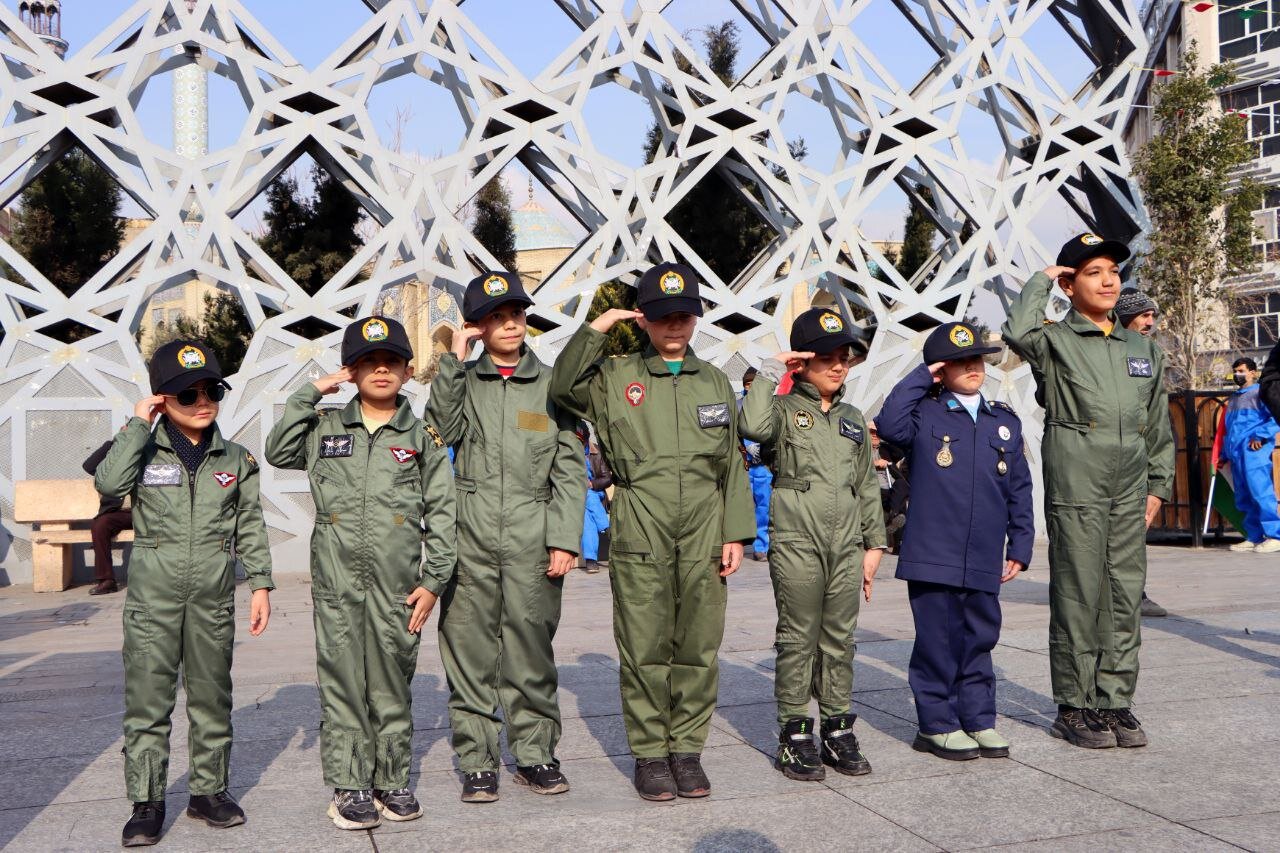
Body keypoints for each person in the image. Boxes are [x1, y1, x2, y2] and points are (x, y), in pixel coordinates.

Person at [549, 262, 755, 802]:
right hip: (642, 519)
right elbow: (563, 385)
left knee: (699, 644)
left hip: (706, 526)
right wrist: (595, 328)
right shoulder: (616, 377)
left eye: (684, 315)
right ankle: (649, 755)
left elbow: (732, 463)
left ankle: (686, 751)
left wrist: (736, 533)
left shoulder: (713, 380)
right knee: (644, 645)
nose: (675, 326)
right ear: (644, 320)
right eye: (664, 317)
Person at [265, 316, 456, 830]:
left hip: (399, 584)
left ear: (407, 370)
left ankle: (392, 779)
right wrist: (311, 390)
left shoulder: (422, 437)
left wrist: (433, 581)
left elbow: (442, 512)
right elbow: (278, 451)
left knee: (393, 679)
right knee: (344, 680)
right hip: (337, 583)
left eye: (390, 361)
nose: (380, 370)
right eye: (368, 362)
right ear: (351, 371)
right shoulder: (326, 427)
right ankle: (350, 784)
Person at [93, 339, 272, 847]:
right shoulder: (142, 448)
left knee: (212, 699)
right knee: (148, 703)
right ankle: (146, 801)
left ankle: (208, 793)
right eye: (186, 394)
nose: (201, 402)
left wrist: (260, 583)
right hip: (153, 601)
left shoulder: (236, 458)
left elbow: (250, 525)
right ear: (161, 399)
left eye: (209, 389)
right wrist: (137, 424)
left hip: (212, 598)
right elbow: (108, 486)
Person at [1002, 233, 1174, 750]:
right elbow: (1018, 331)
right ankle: (1075, 705)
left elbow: (1157, 423)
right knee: (1080, 591)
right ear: (1072, 283)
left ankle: (1115, 699)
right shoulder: (1054, 340)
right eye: (1093, 271)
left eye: (1113, 272)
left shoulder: (1142, 348)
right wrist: (1042, 279)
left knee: (1124, 591)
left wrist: (1158, 485)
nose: (1107, 280)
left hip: (1130, 485)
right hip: (1078, 478)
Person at [427, 271, 585, 803]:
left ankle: (536, 754)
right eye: (496, 316)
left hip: (532, 535)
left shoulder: (550, 386)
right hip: (469, 535)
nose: (510, 323)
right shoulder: (463, 382)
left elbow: (569, 466)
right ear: (479, 326)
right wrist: (453, 357)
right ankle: (477, 760)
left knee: (531, 650)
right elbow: (440, 432)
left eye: (516, 313)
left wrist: (564, 538)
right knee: (469, 651)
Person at [738, 307, 885, 782]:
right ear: (802, 363)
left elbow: (865, 483)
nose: (838, 366)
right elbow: (752, 428)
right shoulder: (782, 410)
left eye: (844, 357)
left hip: (846, 545)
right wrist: (770, 370)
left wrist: (874, 545)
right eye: (826, 358)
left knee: (840, 639)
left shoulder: (852, 418)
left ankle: (838, 729)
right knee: (798, 637)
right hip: (798, 541)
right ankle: (795, 733)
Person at [877, 322, 1034, 760]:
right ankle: (937, 724)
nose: (971, 367)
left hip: (983, 551)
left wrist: (1020, 546)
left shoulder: (1003, 422)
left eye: (976, 359)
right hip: (933, 552)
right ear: (941, 370)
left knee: (979, 638)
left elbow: (1019, 489)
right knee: (937, 640)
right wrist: (922, 374)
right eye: (958, 361)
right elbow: (889, 421)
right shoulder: (924, 414)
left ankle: (979, 719)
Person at [1115, 288, 1168, 618]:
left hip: (1137, 453)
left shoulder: (1151, 353)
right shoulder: (1101, 347)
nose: (1150, 322)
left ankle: (1135, 592)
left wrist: (1159, 479)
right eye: (1143, 314)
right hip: (1102, 453)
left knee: (1134, 528)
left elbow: (1158, 415)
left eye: (1152, 316)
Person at [1222, 357, 1280, 553]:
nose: (1238, 375)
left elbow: (1276, 417)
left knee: (1261, 493)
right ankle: (1254, 536)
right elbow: (1229, 428)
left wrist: (1261, 436)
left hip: (1254, 452)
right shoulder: (1234, 398)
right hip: (1237, 453)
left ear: (1253, 372)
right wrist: (1225, 452)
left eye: (1242, 371)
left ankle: (1275, 535)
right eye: (1235, 371)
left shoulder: (1261, 393)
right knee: (1244, 497)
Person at [82, 439, 133, 595]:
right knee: (100, 525)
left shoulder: (147, 452)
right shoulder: (112, 460)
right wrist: (112, 443)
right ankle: (107, 580)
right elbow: (89, 466)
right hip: (116, 512)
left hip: (143, 511)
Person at [739, 366, 773, 562]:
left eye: (753, 384)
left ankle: (761, 546)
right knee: (739, 508)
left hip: (762, 467)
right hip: (742, 466)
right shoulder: (736, 405)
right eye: (747, 384)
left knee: (763, 507)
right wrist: (745, 447)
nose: (750, 387)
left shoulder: (770, 406)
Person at [867, 419, 909, 552]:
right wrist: (874, 464)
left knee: (902, 485)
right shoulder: (861, 449)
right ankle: (894, 518)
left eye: (877, 432)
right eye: (872, 432)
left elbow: (900, 453)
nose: (875, 435)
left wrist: (885, 435)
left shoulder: (885, 449)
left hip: (891, 486)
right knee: (898, 504)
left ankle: (893, 516)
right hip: (873, 487)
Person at [578, 421, 613, 574]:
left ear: (586, 438)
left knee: (590, 498)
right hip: (577, 497)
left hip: (596, 494)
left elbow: (607, 478)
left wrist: (592, 484)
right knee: (587, 517)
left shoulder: (597, 452)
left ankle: (591, 561)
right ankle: (607, 529)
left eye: (581, 440)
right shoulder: (568, 453)